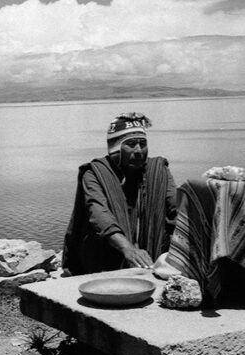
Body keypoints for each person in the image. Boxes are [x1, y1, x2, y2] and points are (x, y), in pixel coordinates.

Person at [62, 112, 177, 275]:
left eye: (142, 143)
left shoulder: (158, 170)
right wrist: (127, 248)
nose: (138, 151)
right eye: (130, 144)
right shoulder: (95, 173)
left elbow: (175, 206)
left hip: (151, 250)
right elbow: (98, 214)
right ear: (115, 148)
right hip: (106, 253)